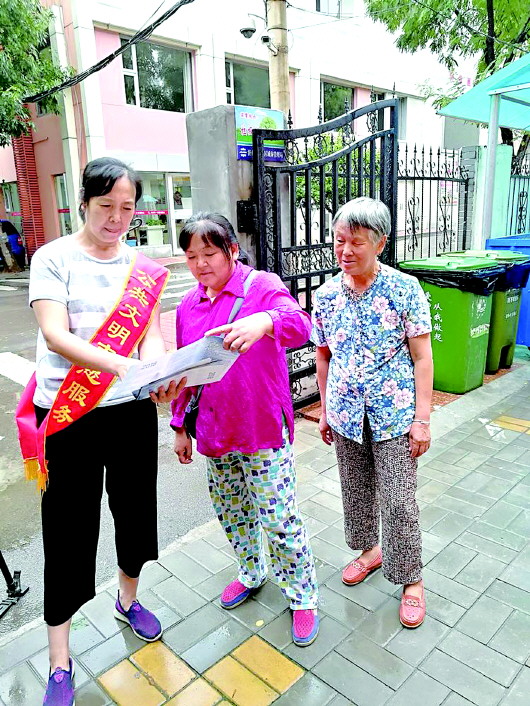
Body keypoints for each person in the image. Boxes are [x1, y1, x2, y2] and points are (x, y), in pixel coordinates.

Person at [16, 157, 184, 706]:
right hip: (69, 416)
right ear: (83, 203)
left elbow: (150, 335)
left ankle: (127, 599)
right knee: (67, 531)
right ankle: (59, 661)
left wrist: (156, 372)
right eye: (106, 206)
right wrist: (123, 367)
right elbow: (55, 334)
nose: (116, 218)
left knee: (135, 513)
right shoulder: (52, 258)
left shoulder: (141, 268)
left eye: (127, 208)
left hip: (128, 413)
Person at [171, 212, 320, 647]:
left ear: (232, 250)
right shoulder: (187, 307)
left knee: (278, 518)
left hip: (262, 428)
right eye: (191, 256)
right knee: (233, 512)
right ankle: (252, 572)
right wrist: (179, 426)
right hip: (216, 431)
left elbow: (302, 326)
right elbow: (185, 371)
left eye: (209, 253)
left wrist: (266, 321)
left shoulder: (262, 287)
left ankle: (302, 595)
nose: (200, 264)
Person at [312, 197, 433, 629]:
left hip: (395, 415)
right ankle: (371, 552)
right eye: (339, 240)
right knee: (356, 493)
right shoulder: (326, 295)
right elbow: (323, 356)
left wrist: (422, 419)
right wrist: (325, 411)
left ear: (380, 243)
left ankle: (411, 579)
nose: (345, 251)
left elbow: (422, 357)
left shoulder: (404, 289)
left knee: (399, 501)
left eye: (356, 242)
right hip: (346, 414)